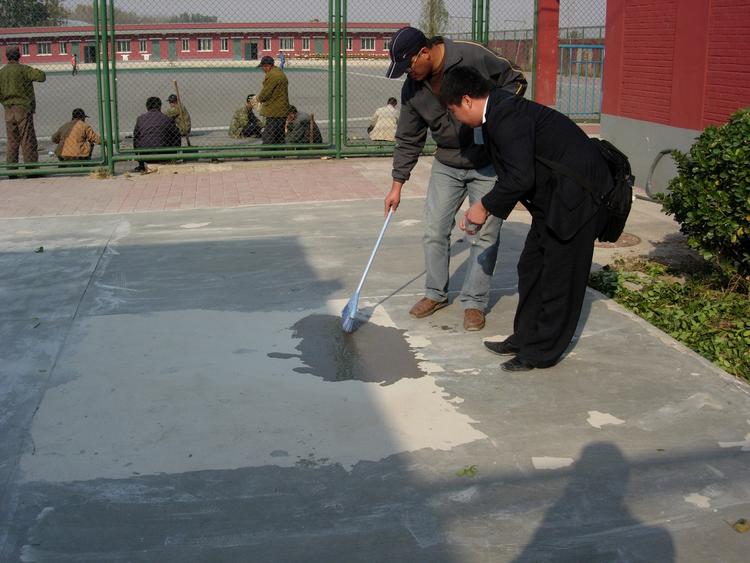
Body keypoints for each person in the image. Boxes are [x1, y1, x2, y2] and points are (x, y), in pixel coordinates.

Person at [439, 66, 613, 372]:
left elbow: (520, 177)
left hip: (579, 199)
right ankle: (524, 338)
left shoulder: (506, 116)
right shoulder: (497, 113)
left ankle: (542, 352)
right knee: (531, 266)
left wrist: (483, 207)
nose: (457, 119)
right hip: (555, 198)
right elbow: (518, 173)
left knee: (560, 277)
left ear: (466, 100)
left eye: (453, 111)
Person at [384, 27, 527, 331]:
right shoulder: (413, 88)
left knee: (484, 234)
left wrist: (493, 114)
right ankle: (435, 293)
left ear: (424, 52)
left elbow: (516, 80)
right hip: (447, 163)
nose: (408, 73)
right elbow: (408, 137)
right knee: (434, 230)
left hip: (487, 161)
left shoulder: (470, 55)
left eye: (409, 65)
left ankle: (474, 302)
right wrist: (397, 185)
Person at [0, 46, 46, 164]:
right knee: (27, 138)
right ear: (19, 56)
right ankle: (30, 166)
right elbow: (41, 77)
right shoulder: (24, 69)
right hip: (23, 107)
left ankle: (11, 167)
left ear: (7, 56)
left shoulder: (2, 72)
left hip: (8, 108)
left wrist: (4, 101)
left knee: (12, 140)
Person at [132, 96, 180, 172]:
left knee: (137, 138)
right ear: (160, 107)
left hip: (145, 155)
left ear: (147, 107)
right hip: (164, 154)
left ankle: (141, 165)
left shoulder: (140, 119)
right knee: (175, 134)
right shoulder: (166, 118)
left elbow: (136, 137)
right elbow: (176, 134)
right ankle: (173, 158)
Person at [255, 55, 289, 145]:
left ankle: (267, 152)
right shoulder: (279, 72)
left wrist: (257, 98)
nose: (263, 70)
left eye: (263, 67)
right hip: (281, 110)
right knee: (279, 136)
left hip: (274, 111)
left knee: (268, 137)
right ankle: (279, 152)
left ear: (267, 66)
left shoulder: (272, 75)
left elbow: (265, 93)